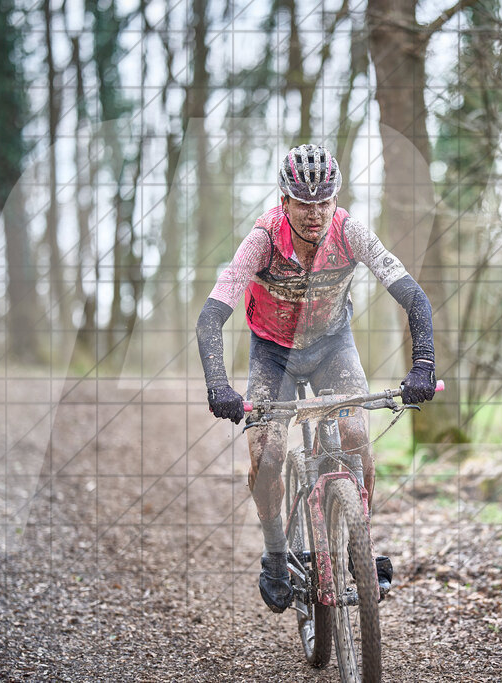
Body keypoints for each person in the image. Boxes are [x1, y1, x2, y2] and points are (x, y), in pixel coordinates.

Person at [195, 143, 437, 613]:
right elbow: (210, 316)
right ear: (284, 201)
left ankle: (357, 546)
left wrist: (424, 362)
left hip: (332, 348)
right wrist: (218, 384)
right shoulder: (263, 238)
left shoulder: (350, 231)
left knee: (354, 436)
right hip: (273, 353)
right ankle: (275, 555)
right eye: (304, 202)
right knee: (268, 454)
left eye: (324, 200)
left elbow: (414, 296)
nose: (315, 212)